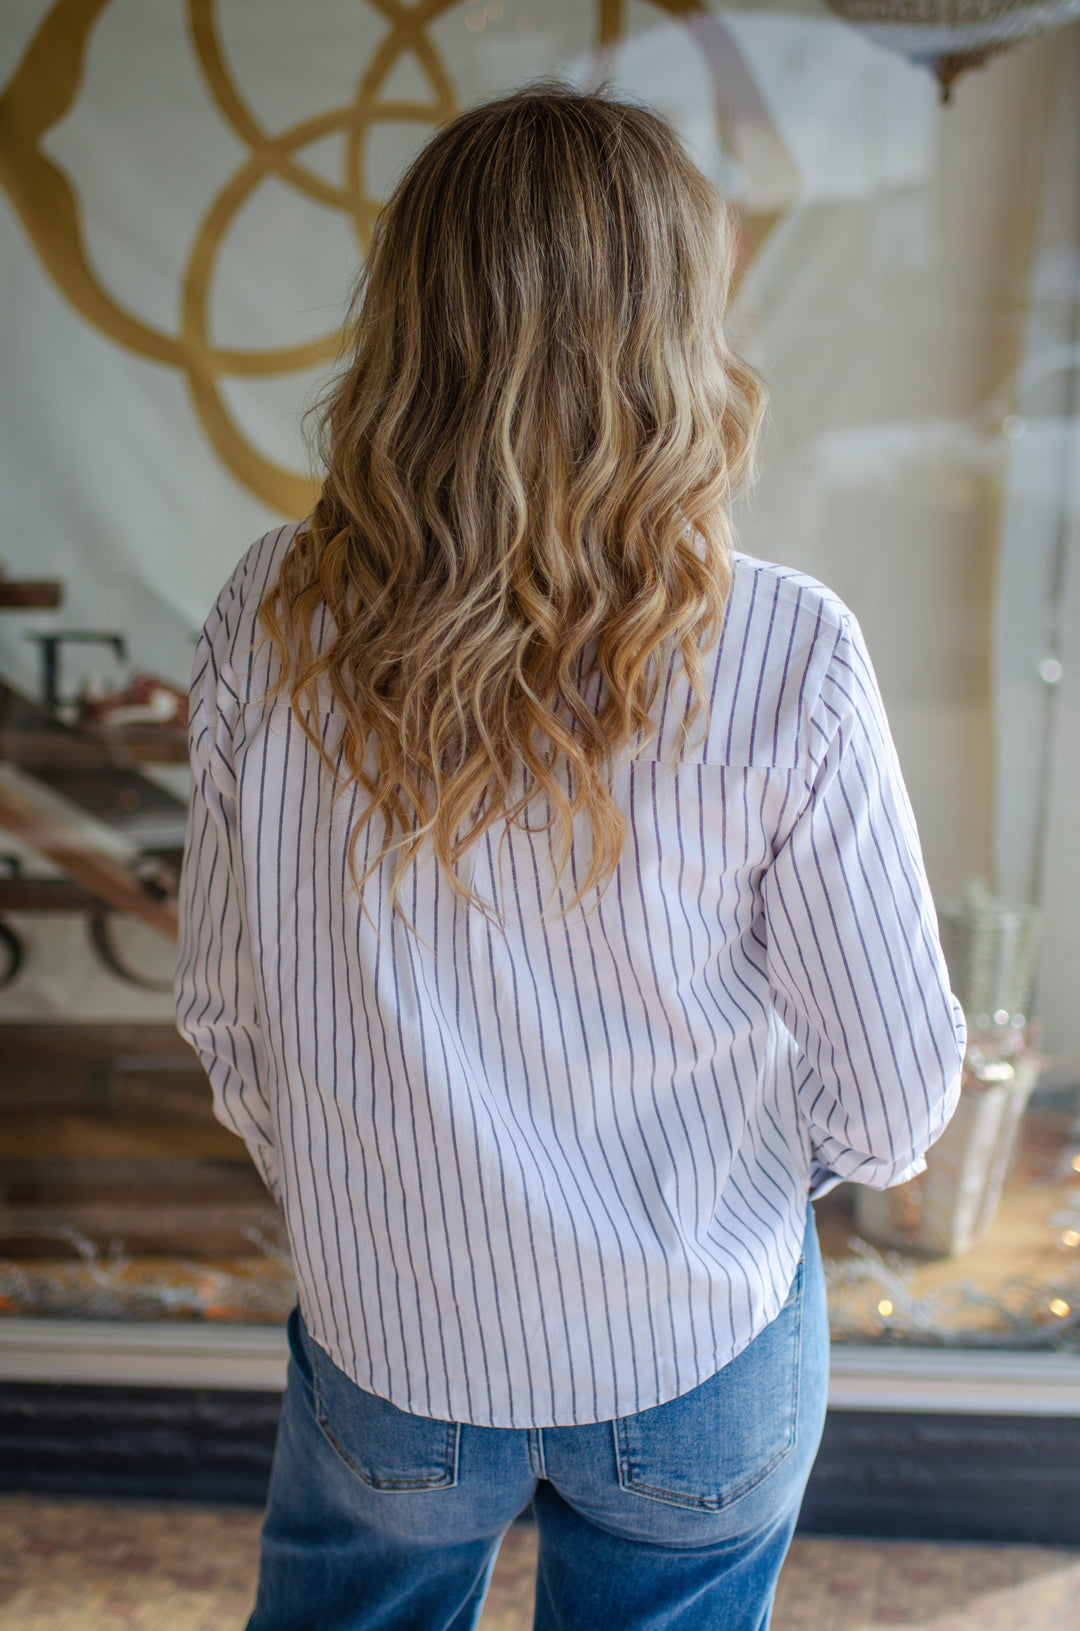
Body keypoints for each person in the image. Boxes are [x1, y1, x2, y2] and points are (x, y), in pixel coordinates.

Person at [176, 85, 964, 1631]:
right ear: (675, 331)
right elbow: (897, 1099)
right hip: (699, 1352)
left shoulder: (271, 612)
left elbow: (224, 1015)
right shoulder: (785, 649)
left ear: (409, 319)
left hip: (389, 1346)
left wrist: (377, 1191)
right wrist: (732, 1176)